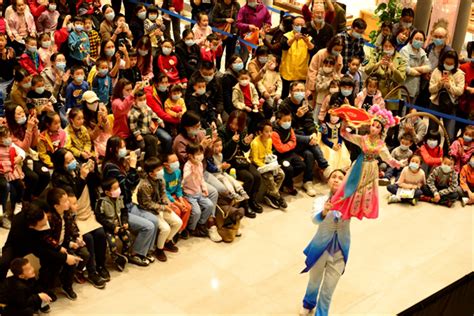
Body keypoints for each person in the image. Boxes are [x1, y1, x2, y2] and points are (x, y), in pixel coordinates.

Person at [330, 106, 403, 220]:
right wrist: (345, 122)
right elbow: (345, 135)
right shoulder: (363, 139)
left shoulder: (381, 145)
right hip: (359, 165)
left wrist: (397, 163)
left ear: (381, 130)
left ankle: (360, 210)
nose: (374, 128)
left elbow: (387, 158)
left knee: (366, 190)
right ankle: (346, 207)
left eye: (377, 127)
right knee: (351, 186)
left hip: (371, 168)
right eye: (373, 125)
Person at [51, 148, 109, 289]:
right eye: (68, 161)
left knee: (100, 233)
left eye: (73, 159)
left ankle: (101, 265)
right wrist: (82, 177)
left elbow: (96, 184)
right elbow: (72, 198)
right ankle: (92, 272)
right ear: (61, 164)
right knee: (87, 237)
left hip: (87, 210)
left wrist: (93, 171)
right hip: (73, 215)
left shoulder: (78, 169)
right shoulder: (58, 178)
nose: (73, 162)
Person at [300, 169, 349, 316]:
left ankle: (321, 314)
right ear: (328, 180)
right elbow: (315, 220)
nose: (336, 179)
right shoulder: (320, 200)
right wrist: (324, 212)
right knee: (314, 281)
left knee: (328, 289)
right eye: (333, 177)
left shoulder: (349, 202)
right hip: (320, 247)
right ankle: (308, 303)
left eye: (341, 178)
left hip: (340, 250)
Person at [102, 136, 156, 266]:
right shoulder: (110, 167)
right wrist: (132, 167)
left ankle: (146, 251)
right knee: (148, 226)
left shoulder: (120, 162)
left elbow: (134, 183)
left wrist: (132, 167)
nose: (124, 149)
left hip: (129, 203)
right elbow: (126, 186)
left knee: (154, 220)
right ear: (112, 149)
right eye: (121, 147)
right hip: (120, 208)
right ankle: (135, 254)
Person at [218, 110, 262, 216]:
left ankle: (252, 201)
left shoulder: (243, 130)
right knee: (249, 178)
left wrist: (246, 143)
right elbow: (222, 151)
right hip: (229, 162)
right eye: (232, 123)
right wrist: (232, 141)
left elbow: (245, 149)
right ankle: (244, 205)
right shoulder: (222, 130)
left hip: (240, 159)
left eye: (237, 125)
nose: (234, 126)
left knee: (257, 175)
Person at [138, 157, 182, 261]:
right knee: (165, 228)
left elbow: (163, 193)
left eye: (160, 168)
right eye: (158, 170)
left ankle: (167, 241)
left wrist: (167, 202)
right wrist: (163, 207)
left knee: (178, 222)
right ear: (150, 173)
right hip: (148, 211)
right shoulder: (145, 185)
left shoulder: (160, 179)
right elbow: (147, 204)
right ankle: (159, 249)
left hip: (161, 207)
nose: (161, 171)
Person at [182, 143, 222, 242]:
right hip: (189, 194)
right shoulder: (188, 165)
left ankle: (200, 224)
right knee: (196, 212)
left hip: (198, 192)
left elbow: (201, 179)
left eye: (201, 153)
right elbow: (185, 179)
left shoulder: (200, 164)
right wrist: (191, 171)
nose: (201, 155)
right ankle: (191, 229)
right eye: (198, 153)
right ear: (190, 155)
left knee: (209, 205)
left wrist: (204, 188)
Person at [272, 107, 315, 196]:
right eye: (285, 120)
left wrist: (287, 146)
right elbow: (280, 149)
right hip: (279, 155)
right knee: (289, 169)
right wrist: (289, 145)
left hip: (290, 153)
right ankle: (288, 186)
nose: (288, 122)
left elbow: (294, 141)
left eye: (289, 120)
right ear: (278, 121)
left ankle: (286, 182)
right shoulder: (274, 132)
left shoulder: (290, 129)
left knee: (301, 166)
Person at [95, 178, 131, 271]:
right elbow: (100, 217)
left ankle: (125, 256)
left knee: (127, 239)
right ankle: (117, 259)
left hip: (119, 226)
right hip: (108, 228)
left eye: (118, 187)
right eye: (115, 189)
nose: (118, 190)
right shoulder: (101, 202)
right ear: (107, 192)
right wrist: (112, 227)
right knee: (112, 244)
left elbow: (124, 211)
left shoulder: (120, 198)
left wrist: (125, 221)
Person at [250, 120, 287, 210]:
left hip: (267, 164)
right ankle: (278, 197)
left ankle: (271, 194)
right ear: (260, 132)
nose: (269, 134)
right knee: (269, 177)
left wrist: (272, 162)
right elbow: (255, 159)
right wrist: (266, 167)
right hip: (258, 165)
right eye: (267, 132)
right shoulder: (255, 143)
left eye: (271, 131)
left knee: (281, 174)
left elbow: (269, 152)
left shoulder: (270, 140)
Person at [428, 50, 465, 140]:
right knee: (432, 131)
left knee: (449, 134)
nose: (448, 65)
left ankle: (447, 152)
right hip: (435, 104)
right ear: (442, 61)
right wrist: (439, 84)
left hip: (451, 106)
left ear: (455, 63)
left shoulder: (459, 74)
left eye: (451, 63)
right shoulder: (437, 71)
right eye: (446, 63)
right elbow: (430, 89)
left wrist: (449, 86)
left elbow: (460, 91)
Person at [280, 16, 315, 98]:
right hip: (287, 74)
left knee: (300, 97)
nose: (300, 27)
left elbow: (314, 51)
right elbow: (284, 46)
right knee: (285, 96)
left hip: (302, 75)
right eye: (297, 24)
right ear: (292, 26)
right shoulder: (286, 36)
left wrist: (307, 42)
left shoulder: (308, 38)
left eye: (302, 25)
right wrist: (293, 38)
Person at [207, 137, 249, 202]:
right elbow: (211, 168)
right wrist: (221, 166)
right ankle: (233, 193)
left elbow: (222, 165)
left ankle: (241, 190)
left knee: (230, 177)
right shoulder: (210, 157)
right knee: (224, 179)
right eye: (217, 146)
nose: (219, 148)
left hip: (221, 173)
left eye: (220, 145)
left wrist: (225, 167)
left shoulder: (220, 155)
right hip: (214, 175)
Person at [306, 36, 344, 103]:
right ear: (331, 46)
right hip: (317, 84)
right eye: (336, 49)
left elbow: (338, 73)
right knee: (312, 104)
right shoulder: (321, 54)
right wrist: (311, 88)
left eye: (339, 50)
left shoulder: (339, 58)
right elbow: (312, 71)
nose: (337, 52)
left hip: (329, 88)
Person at [162, 152, 192, 238]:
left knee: (187, 208)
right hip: (167, 198)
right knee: (177, 211)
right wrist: (177, 204)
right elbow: (165, 193)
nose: (176, 163)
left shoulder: (178, 171)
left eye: (177, 160)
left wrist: (181, 200)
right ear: (166, 164)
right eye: (173, 161)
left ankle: (180, 230)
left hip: (176, 195)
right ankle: (173, 232)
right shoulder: (163, 175)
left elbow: (179, 187)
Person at [0, 125, 25, 218]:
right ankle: (3, 213)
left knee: (20, 185)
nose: (8, 139)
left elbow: (22, 152)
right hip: (1, 173)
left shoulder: (11, 145)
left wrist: (20, 157)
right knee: (6, 187)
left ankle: (19, 204)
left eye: (9, 136)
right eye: (5, 137)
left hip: (11, 172)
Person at [399, 30, 431, 102]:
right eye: (416, 39)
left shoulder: (422, 52)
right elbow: (406, 69)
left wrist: (415, 69)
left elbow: (428, 67)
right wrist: (419, 71)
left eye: (421, 39)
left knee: (412, 112)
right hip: (404, 88)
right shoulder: (405, 50)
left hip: (415, 89)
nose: (418, 41)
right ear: (411, 39)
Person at [209, 0, 240, 69]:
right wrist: (225, 20)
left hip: (232, 34)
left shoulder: (236, 5)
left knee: (230, 55)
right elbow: (213, 19)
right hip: (220, 34)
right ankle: (217, 70)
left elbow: (238, 20)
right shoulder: (218, 5)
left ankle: (227, 71)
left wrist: (236, 32)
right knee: (218, 54)